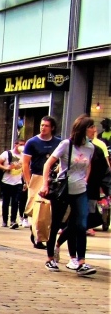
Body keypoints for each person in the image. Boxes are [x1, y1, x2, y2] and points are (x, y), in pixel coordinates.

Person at [40, 115, 96, 276]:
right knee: (56, 223)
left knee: (81, 225)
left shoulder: (90, 147)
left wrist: (85, 179)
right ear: (83, 129)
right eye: (91, 127)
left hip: (80, 190)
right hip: (63, 189)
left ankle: (81, 262)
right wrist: (44, 184)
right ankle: (50, 258)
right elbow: (48, 163)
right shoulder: (66, 144)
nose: (94, 130)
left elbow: (88, 165)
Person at [22, 116, 61, 249]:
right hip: (37, 178)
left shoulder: (59, 142)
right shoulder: (32, 142)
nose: (43, 128)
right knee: (37, 208)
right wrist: (29, 182)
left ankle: (42, 234)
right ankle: (38, 236)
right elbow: (25, 164)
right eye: (41, 125)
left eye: (46, 126)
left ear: (52, 128)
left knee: (48, 210)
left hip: (53, 179)